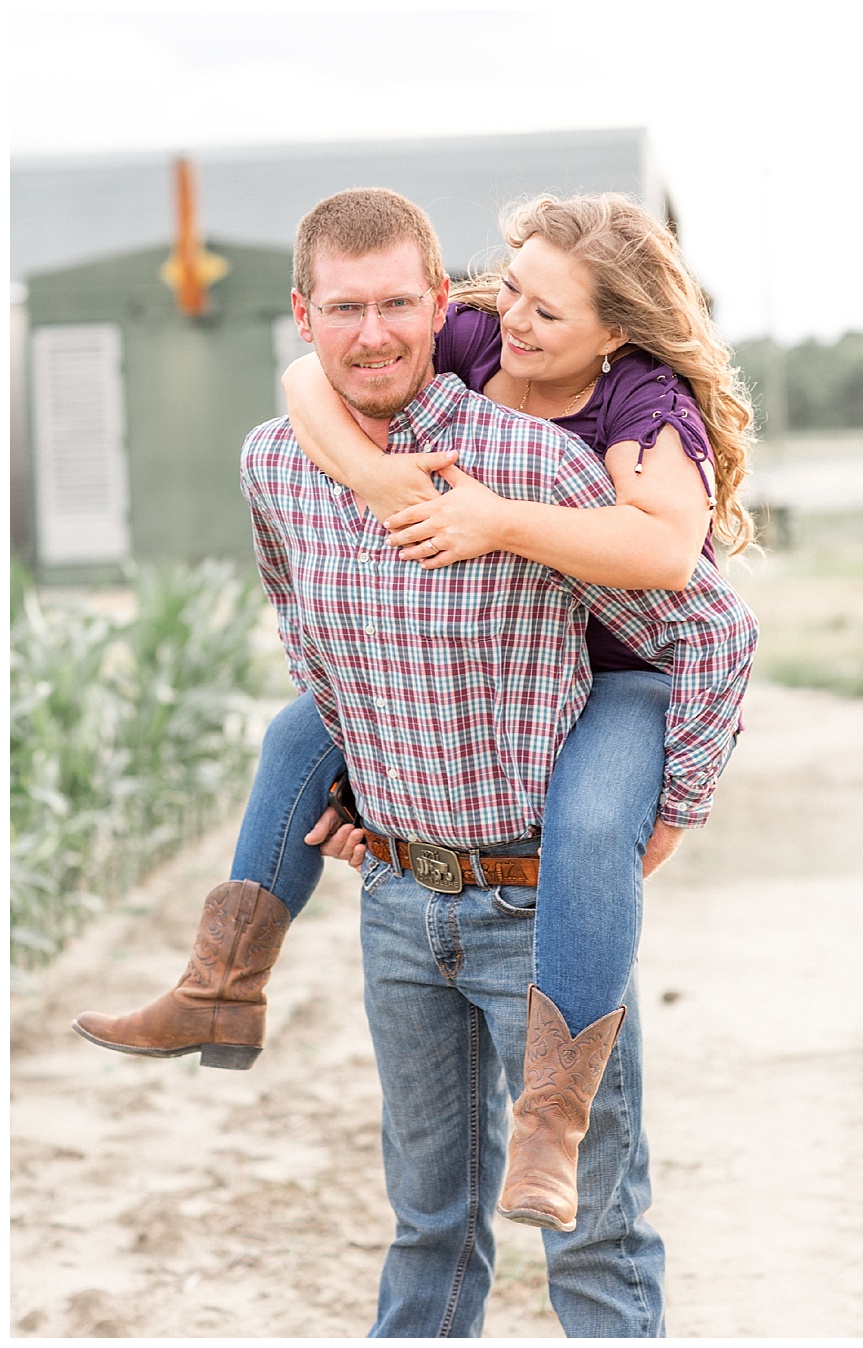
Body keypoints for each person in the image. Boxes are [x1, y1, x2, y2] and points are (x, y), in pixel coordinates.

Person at [72, 192, 752, 1245]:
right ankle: (225, 979)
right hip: (507, 644)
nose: (512, 321)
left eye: (546, 314)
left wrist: (491, 519)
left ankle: (553, 1114)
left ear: (615, 333)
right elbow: (312, 371)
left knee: (583, 830)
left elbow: (670, 567)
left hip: (624, 665)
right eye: (509, 290)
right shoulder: (476, 327)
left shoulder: (639, 408)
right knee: (297, 732)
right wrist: (367, 469)